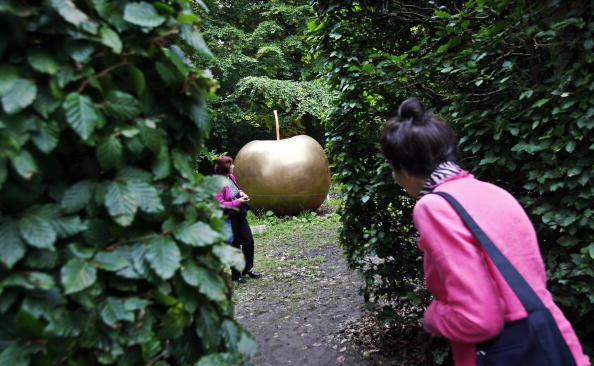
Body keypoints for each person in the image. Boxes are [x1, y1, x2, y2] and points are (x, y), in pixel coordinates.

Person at [379, 97, 589, 365]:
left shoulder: (434, 206)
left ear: (405, 171)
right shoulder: (493, 192)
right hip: (554, 341)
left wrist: (433, 316)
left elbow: (478, 319)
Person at [214, 156, 261, 284]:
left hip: (240, 214)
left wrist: (242, 194)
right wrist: (237, 202)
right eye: (231, 165)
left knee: (248, 242)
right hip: (229, 217)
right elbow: (220, 204)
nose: (233, 166)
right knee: (234, 246)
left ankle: (247, 269)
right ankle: (236, 275)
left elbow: (237, 190)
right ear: (225, 168)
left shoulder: (231, 177)